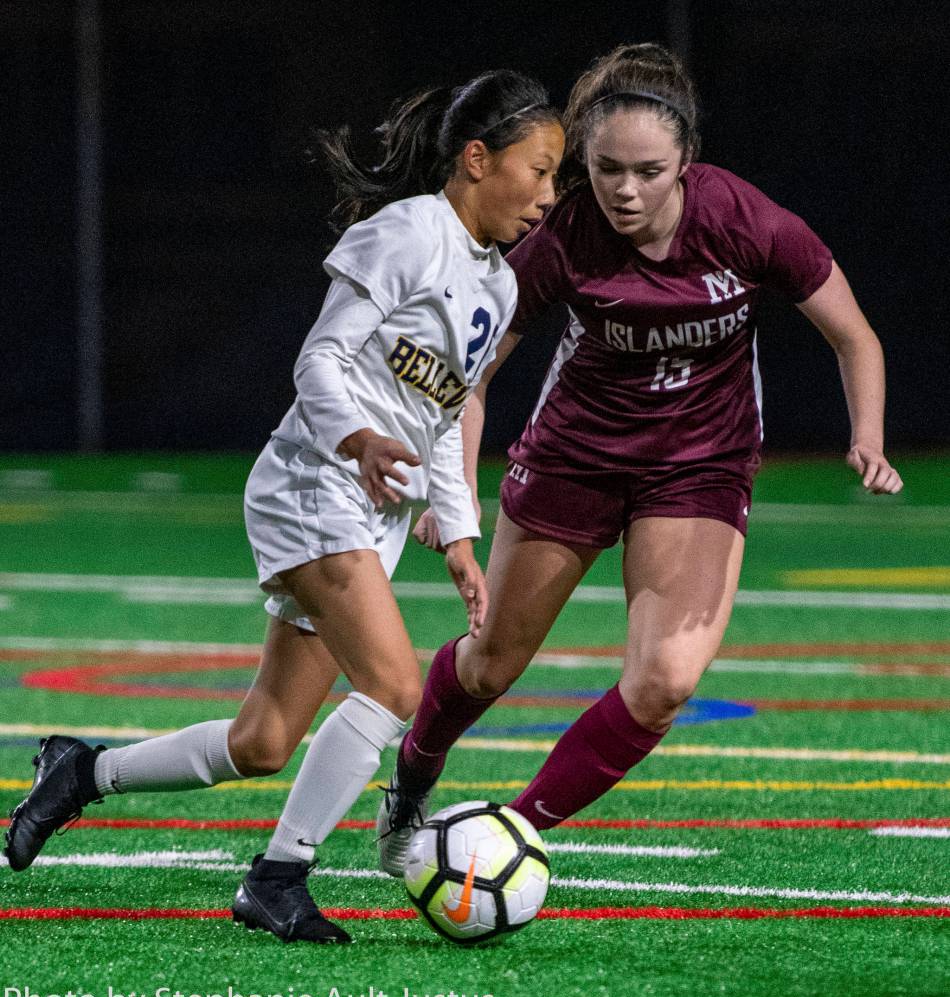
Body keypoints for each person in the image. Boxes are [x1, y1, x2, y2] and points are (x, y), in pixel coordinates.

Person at [4, 70, 565, 943]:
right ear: (476, 158)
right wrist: (360, 440)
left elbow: (444, 413)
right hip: (313, 484)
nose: (549, 196)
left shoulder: (497, 286)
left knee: (262, 740)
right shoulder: (406, 234)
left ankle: (82, 771)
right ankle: (277, 877)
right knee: (393, 683)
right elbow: (318, 360)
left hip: (370, 511)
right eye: (540, 170)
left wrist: (458, 533)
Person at [376, 42, 903, 875]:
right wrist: (455, 494)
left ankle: (508, 835)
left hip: (700, 462)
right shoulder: (563, 236)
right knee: (490, 664)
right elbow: (467, 379)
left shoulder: (746, 222)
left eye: (649, 171)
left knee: (664, 682)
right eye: (606, 169)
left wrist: (866, 434)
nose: (626, 190)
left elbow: (855, 336)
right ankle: (412, 774)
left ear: (687, 161)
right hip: (574, 456)